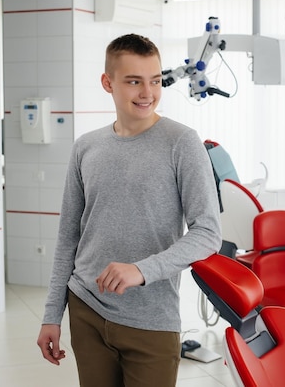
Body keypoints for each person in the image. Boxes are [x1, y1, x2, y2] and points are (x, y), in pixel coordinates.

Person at [36, 33, 222, 387]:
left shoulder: (182, 143)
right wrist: (52, 315)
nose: (147, 93)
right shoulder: (86, 147)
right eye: (134, 81)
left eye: (154, 80)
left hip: (151, 317)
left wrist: (142, 269)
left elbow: (208, 233)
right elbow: (68, 238)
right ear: (108, 83)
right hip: (86, 308)